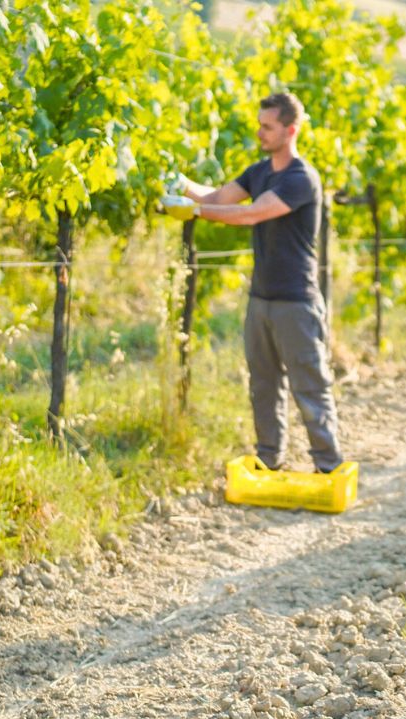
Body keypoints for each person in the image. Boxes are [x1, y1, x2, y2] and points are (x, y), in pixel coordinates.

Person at [162, 92, 344, 475]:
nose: (259, 132)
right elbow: (217, 196)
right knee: (263, 384)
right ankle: (269, 460)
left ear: (290, 130)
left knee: (309, 386)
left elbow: (252, 215)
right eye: (259, 124)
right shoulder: (259, 172)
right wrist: (181, 184)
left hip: (297, 301)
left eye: (268, 126)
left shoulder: (300, 178)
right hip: (261, 297)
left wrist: (195, 211)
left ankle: (328, 466)